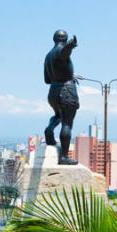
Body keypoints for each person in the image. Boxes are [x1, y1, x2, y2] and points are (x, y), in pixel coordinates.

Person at [43, 29, 79, 165]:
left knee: (58, 115)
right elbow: (63, 54)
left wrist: (68, 75)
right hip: (66, 90)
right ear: (65, 40)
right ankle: (64, 157)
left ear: (54, 39)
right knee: (67, 124)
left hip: (53, 91)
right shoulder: (61, 51)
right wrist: (70, 46)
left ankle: (49, 130)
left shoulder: (48, 56)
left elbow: (47, 79)